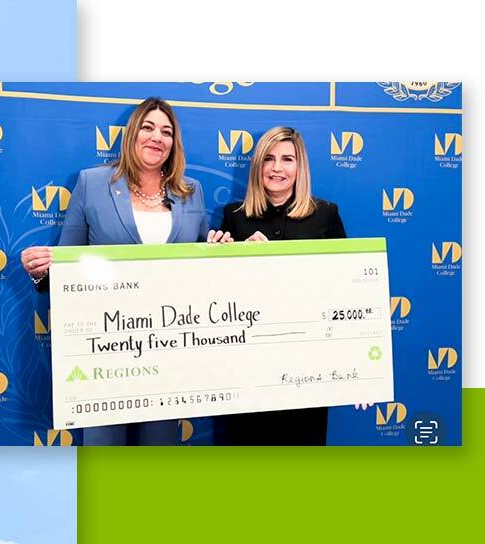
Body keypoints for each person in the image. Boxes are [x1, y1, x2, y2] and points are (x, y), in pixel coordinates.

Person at [20, 97, 209, 446]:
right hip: (105, 351)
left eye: (166, 132)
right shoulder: (92, 183)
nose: (157, 137)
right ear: (132, 133)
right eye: (148, 127)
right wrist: (42, 270)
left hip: (169, 349)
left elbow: (200, 263)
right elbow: (68, 261)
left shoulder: (190, 192)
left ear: (174, 143)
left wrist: (220, 252)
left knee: (159, 454)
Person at [207, 126, 347, 445]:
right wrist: (216, 259)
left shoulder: (326, 215)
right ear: (258, 166)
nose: (276, 168)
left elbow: (343, 290)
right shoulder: (235, 216)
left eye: (287, 159)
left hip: (307, 370)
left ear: (300, 167)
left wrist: (359, 367)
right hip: (248, 372)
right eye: (268, 159)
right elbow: (219, 300)